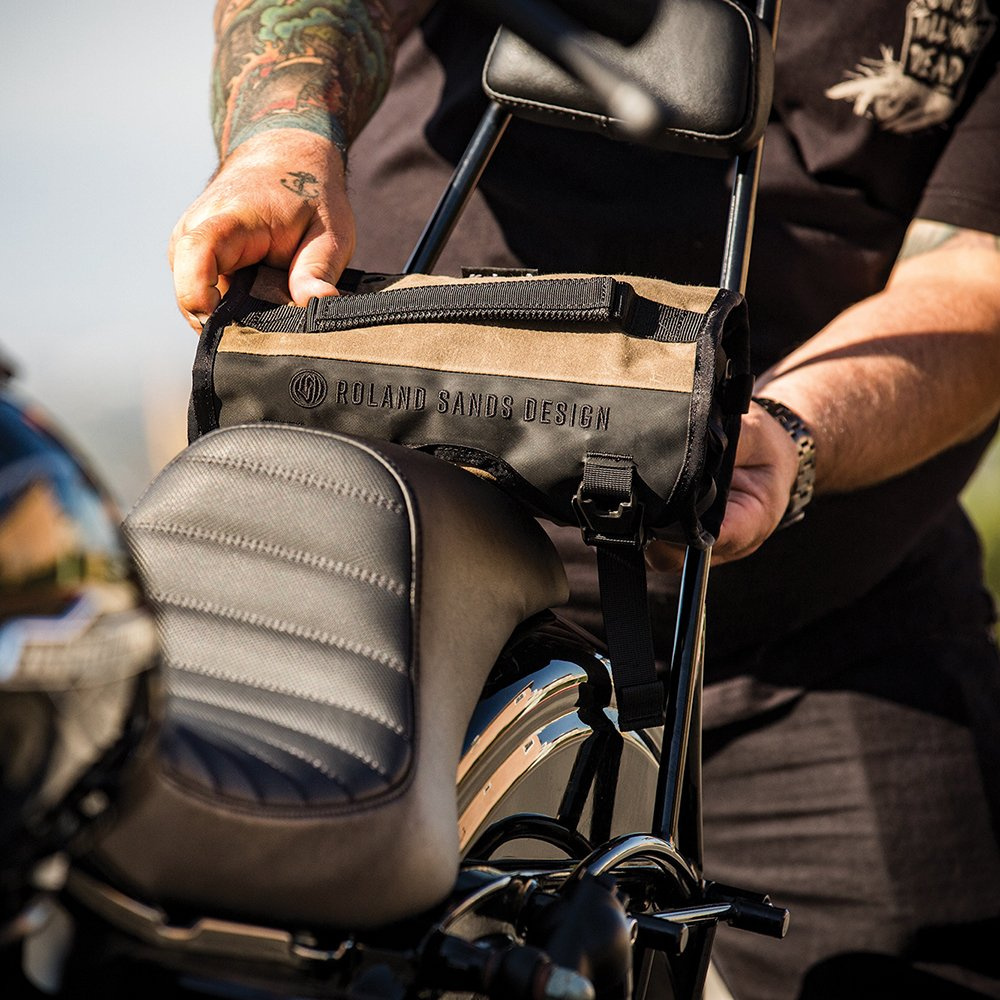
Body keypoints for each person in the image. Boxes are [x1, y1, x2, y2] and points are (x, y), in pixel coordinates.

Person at [170, 1, 1000, 996]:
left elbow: (981, 273)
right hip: (378, 590)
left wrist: (785, 433)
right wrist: (283, 138)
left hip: (822, 618)